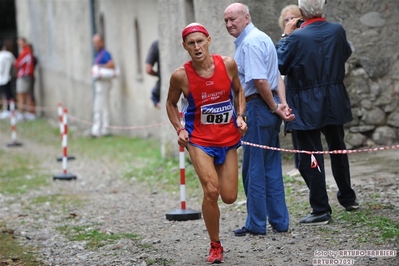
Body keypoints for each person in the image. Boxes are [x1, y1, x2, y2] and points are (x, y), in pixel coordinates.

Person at [166, 23, 247, 264]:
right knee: (211, 191)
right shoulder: (181, 75)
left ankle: (216, 240)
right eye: (191, 43)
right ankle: (215, 245)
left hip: (228, 138)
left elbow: (239, 91)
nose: (197, 46)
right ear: (185, 47)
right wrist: (180, 128)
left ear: (208, 40)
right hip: (199, 140)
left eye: (200, 41)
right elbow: (170, 104)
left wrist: (241, 116)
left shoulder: (227, 64)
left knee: (230, 196)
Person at [276, 0, 359, 225]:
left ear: (302, 12)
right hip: (333, 98)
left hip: (305, 103)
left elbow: (279, 64)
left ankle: (321, 209)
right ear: (322, 9)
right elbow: (345, 52)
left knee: (310, 157)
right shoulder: (337, 30)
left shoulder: (295, 38)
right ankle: (348, 197)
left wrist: (285, 35)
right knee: (337, 149)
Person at [223, 3, 295, 237]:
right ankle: (279, 221)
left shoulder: (251, 42)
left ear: (247, 17)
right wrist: (281, 105)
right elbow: (277, 77)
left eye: (233, 19)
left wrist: (275, 107)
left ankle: (256, 223)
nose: (229, 24)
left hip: (257, 107)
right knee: (271, 166)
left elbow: (262, 81)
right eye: (226, 20)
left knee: (253, 168)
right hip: (268, 107)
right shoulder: (262, 37)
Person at [278, 4, 303, 178]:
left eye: (293, 19)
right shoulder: (285, 40)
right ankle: (298, 164)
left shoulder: (303, 38)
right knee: (293, 127)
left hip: (304, 88)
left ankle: (304, 164)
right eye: (287, 19)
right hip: (289, 88)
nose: (290, 22)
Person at [91, 33, 115, 137]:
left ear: (102, 42)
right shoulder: (98, 54)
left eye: (97, 42)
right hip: (99, 83)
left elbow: (111, 64)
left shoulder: (105, 54)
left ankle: (97, 129)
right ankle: (105, 128)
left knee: (98, 106)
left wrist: (100, 66)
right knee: (104, 106)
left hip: (103, 83)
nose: (96, 44)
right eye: (94, 43)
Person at [14, 37, 35, 120]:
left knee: (21, 95)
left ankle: (23, 113)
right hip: (25, 76)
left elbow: (17, 64)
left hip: (24, 76)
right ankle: (27, 113)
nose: (19, 44)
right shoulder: (26, 52)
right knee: (26, 95)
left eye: (20, 42)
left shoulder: (26, 52)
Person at [0, 39, 15, 119]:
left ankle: (8, 110)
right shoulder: (10, 55)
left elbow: (1, 69)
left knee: (5, 95)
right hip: (8, 77)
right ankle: (10, 109)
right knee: (9, 94)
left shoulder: (1, 56)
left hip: (1, 78)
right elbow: (15, 64)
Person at [145, 40, 161, 109]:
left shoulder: (156, 44)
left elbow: (148, 70)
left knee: (154, 97)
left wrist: (158, 74)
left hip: (161, 89)